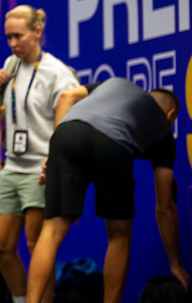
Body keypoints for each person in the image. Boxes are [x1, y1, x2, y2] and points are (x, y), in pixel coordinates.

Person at [26, 78, 189, 303]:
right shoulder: (163, 129)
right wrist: (176, 264)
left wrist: (55, 151)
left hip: (67, 133)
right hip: (113, 143)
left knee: (52, 230)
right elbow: (165, 208)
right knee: (119, 236)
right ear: (170, 115)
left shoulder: (113, 83)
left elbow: (66, 97)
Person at [0, 5, 78, 303]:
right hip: (12, 167)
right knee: (1, 246)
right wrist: (0, 93)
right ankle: (22, 299)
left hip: (40, 169)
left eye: (19, 36)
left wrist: (54, 162)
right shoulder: (11, 65)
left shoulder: (57, 73)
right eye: (8, 37)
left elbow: (70, 121)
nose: (13, 44)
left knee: (36, 244)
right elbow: (4, 112)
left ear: (37, 31)